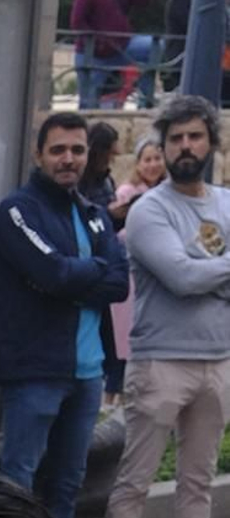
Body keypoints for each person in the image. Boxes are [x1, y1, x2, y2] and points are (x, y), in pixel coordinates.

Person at [0, 110, 129, 518]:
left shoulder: (92, 213)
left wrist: (75, 276)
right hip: (35, 371)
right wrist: (83, 272)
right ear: (38, 155)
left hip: (86, 373)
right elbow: (53, 271)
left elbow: (118, 284)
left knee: (64, 488)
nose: (69, 159)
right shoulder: (15, 212)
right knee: (17, 486)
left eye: (77, 150)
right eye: (59, 150)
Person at [91, 94, 230, 518]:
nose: (186, 146)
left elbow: (198, 276)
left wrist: (204, 276)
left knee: (198, 478)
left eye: (195, 136)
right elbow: (180, 276)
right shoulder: (150, 209)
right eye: (176, 139)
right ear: (163, 147)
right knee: (135, 477)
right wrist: (208, 275)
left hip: (219, 359)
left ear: (210, 142)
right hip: (161, 361)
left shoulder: (225, 202)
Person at [105, 136, 167, 387]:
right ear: (138, 164)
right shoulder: (127, 193)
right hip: (131, 276)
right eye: (147, 159)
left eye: (157, 159)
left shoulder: (167, 192)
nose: (152, 165)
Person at [71, 0, 155, 109]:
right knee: (88, 102)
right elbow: (77, 20)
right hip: (93, 53)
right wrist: (97, 44)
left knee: (152, 47)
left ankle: (145, 102)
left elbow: (145, 1)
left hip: (122, 46)